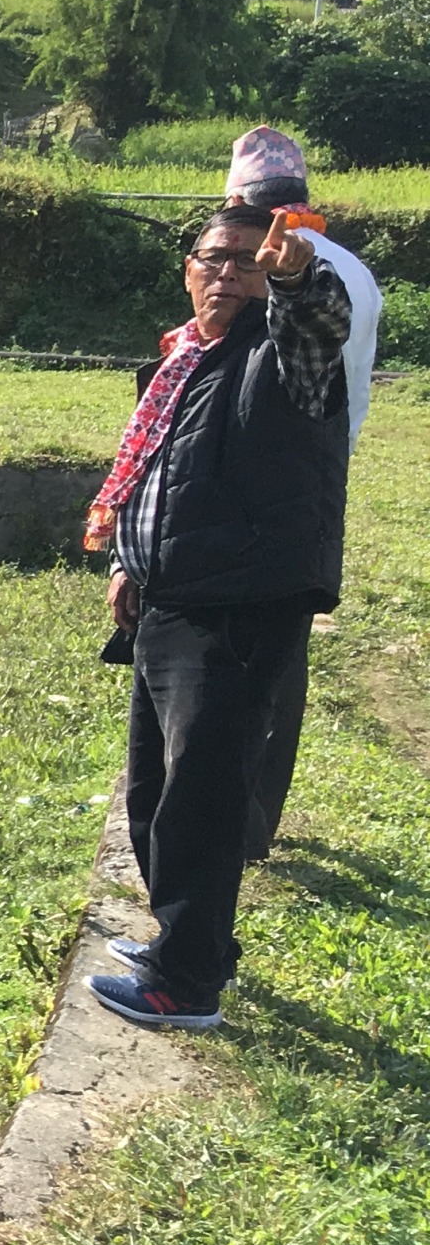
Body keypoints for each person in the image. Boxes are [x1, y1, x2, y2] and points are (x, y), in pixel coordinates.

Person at [85, 201, 355, 1031]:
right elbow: (164, 475)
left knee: (202, 800)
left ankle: (186, 986)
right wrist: (132, 561)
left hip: (237, 607)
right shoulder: (186, 357)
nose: (226, 273)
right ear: (188, 269)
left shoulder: (284, 352)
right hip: (170, 599)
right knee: (156, 789)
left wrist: (295, 276)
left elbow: (318, 317)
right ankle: (181, 939)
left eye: (246, 261)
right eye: (213, 259)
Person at [220, 126, 378, 861]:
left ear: (237, 196)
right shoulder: (360, 271)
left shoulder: (266, 263)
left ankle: (225, 818)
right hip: (323, 476)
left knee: (232, 648)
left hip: (254, 466)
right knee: (286, 643)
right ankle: (257, 821)